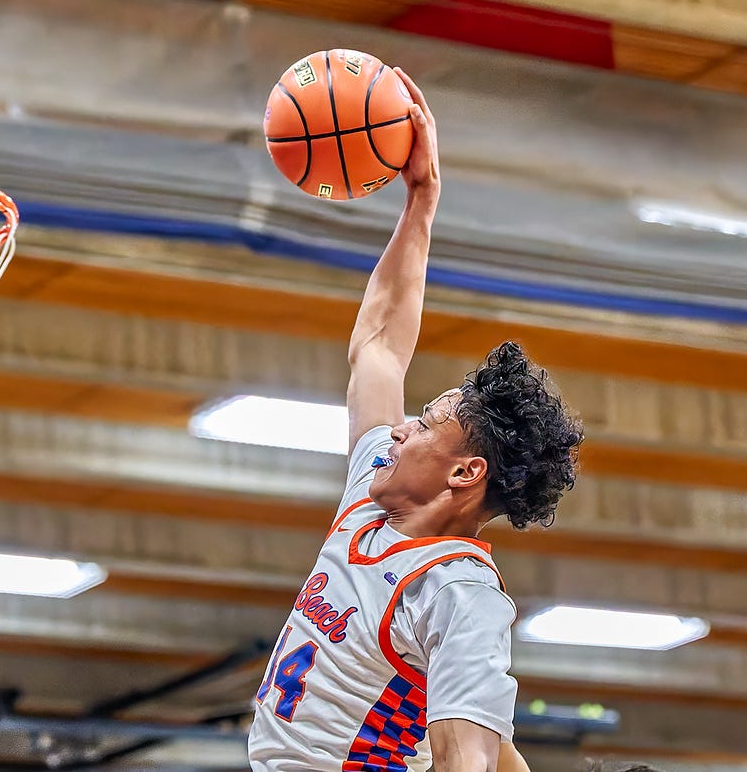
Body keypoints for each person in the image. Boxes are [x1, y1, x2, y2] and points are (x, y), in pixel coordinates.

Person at [248, 69, 584, 772]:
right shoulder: (372, 494)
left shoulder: (458, 594)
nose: (400, 428)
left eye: (426, 424)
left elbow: (469, 758)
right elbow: (378, 346)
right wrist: (421, 201)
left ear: (465, 472)